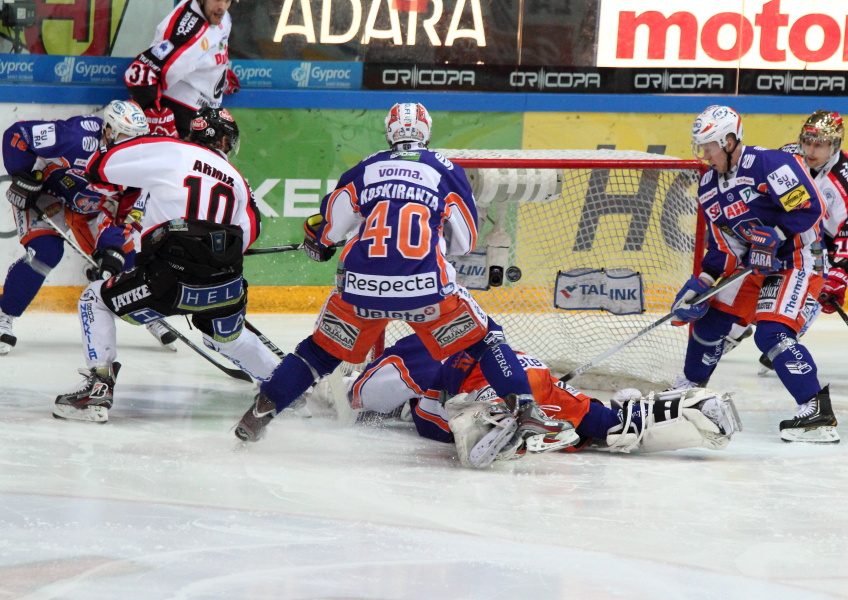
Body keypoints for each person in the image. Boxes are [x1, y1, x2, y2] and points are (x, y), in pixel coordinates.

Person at [233, 102, 575, 452]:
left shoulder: (364, 168)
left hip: (359, 289)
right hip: (426, 291)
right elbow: (465, 242)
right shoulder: (446, 169)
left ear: (388, 132)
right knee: (485, 341)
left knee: (318, 353)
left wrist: (317, 241)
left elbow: (330, 231)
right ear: (426, 131)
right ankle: (526, 407)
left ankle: (263, 408)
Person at [53, 101, 277, 423]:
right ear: (225, 142)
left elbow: (101, 167)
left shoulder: (172, 150)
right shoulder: (240, 182)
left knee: (94, 299)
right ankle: (284, 388)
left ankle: (99, 389)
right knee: (228, 338)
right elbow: (247, 234)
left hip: (166, 282)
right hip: (225, 286)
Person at [309, 333, 741, 468]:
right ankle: (689, 410)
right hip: (532, 373)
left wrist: (334, 390)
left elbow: (362, 394)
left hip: (493, 391)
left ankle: (501, 424)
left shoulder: (410, 348)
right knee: (609, 426)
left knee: (431, 412)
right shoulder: (474, 324)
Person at [671, 105, 837, 443]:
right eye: (701, 148)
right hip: (754, 265)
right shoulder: (707, 185)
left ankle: (817, 413)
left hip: (796, 259)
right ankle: (689, 393)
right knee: (710, 321)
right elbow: (722, 247)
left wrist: (774, 236)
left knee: (771, 334)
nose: (705, 155)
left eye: (710, 147)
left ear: (730, 141)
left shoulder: (770, 164)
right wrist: (702, 283)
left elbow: (810, 208)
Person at [0, 108, 165, 355]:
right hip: (45, 192)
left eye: (135, 140)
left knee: (126, 256)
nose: (129, 147)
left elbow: (123, 218)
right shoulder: (75, 137)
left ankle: (143, 309)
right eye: (123, 138)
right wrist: (22, 176)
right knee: (46, 252)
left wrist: (110, 251)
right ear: (107, 130)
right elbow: (17, 135)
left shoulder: (137, 168)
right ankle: (5, 314)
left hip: (91, 206)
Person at [723, 111, 848, 374]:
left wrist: (840, 272)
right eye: (808, 141)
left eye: (820, 144)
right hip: (789, 230)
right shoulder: (789, 157)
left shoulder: (842, 182)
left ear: (835, 145)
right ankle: (732, 332)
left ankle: (789, 333)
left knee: (820, 280)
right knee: (753, 278)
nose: (811, 149)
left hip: (827, 241)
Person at [124, 0, 240, 139]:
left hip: (203, 114)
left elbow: (210, 48)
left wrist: (217, 74)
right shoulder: (189, 34)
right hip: (180, 115)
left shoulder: (219, 15)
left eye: (227, 0)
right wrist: (156, 116)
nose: (222, 7)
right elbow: (139, 73)